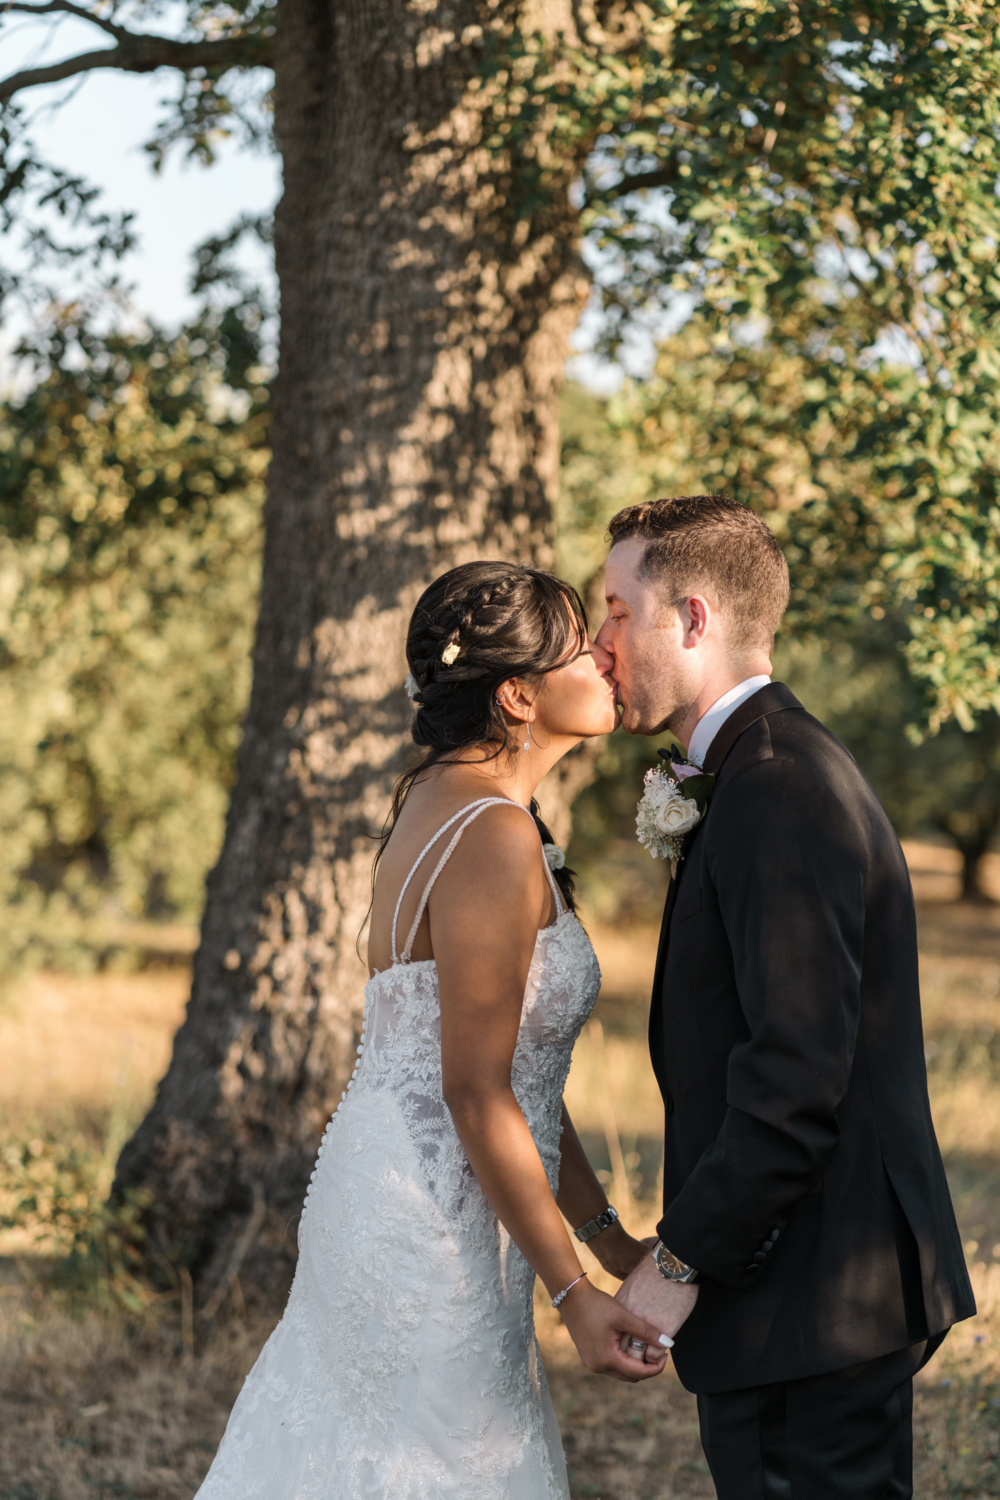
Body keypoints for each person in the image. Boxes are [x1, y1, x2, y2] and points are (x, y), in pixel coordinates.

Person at [195, 561, 668, 1500]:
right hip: (426, 1223)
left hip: (406, 1183)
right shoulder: (491, 834)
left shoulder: (442, 798)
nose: (608, 661)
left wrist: (610, 1242)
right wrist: (573, 1294)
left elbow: (516, 1076)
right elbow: (476, 1088)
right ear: (518, 696)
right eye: (583, 648)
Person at [597, 495, 976, 1499]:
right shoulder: (757, 767)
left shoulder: (778, 784)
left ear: (691, 619)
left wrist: (676, 1266)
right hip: (804, 1291)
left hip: (811, 1294)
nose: (599, 644)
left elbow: (796, 1072)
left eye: (613, 611)